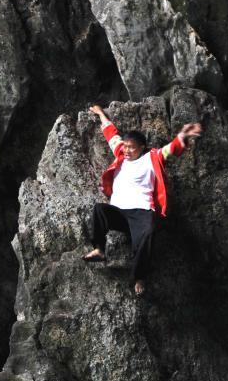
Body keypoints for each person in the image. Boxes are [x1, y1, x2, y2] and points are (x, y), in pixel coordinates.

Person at [82, 104, 203, 296]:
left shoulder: (151, 158)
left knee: (147, 236)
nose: (127, 150)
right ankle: (99, 249)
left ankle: (139, 277)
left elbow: (171, 148)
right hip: (119, 211)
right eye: (126, 146)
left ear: (142, 148)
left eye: (131, 148)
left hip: (142, 212)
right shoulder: (120, 154)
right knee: (99, 209)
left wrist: (184, 136)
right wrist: (100, 114)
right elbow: (110, 134)